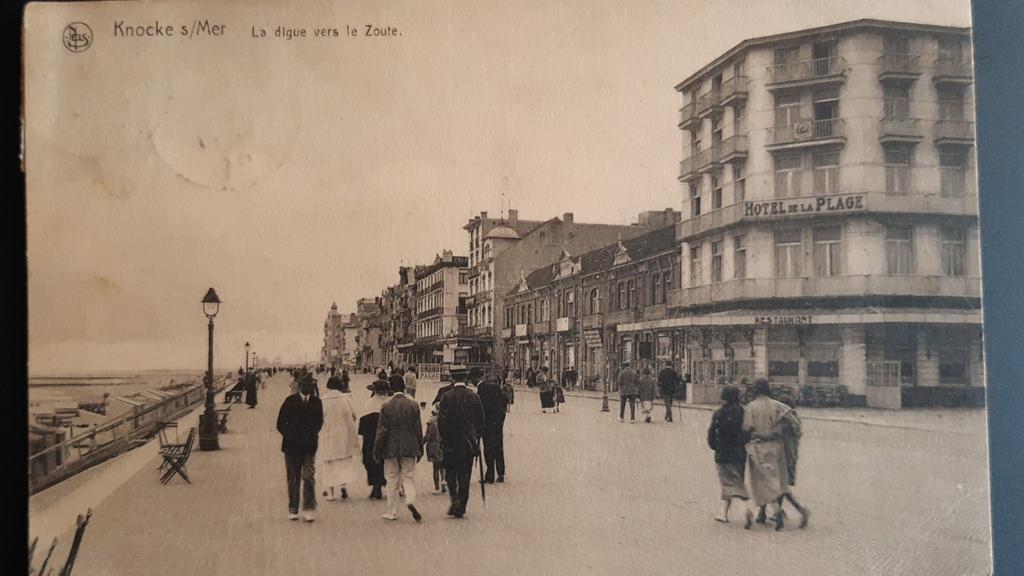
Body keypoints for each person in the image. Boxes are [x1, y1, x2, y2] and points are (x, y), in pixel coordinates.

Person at [742, 378, 807, 530]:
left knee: (762, 482)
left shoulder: (751, 407)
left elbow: (747, 428)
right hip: (776, 447)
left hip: (758, 447)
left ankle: (774, 512)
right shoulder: (778, 405)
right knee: (777, 481)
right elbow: (794, 422)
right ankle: (766, 513)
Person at [373, 378, 424, 522]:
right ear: (404, 387)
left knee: (392, 479)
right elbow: (418, 429)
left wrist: (377, 450)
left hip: (391, 447)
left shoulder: (386, 405)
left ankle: (392, 511)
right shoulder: (414, 404)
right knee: (408, 476)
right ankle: (410, 499)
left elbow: (382, 431)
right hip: (410, 445)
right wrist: (420, 447)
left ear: (391, 388)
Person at [437, 367, 485, 519]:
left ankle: (454, 498)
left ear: (452, 378)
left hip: (450, 442)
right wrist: (476, 436)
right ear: (466, 378)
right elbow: (481, 421)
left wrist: (444, 438)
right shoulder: (474, 397)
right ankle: (462, 505)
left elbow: (441, 421)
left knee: (450, 473)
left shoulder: (446, 396)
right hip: (468, 443)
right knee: (465, 475)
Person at [276, 373, 324, 522]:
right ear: (300, 386)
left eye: (311, 385)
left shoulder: (317, 402)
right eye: (306, 385)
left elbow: (319, 422)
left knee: (308, 477)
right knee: (293, 478)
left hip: (309, 447)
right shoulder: (290, 401)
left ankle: (309, 509)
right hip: (291, 447)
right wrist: (291, 435)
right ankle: (293, 508)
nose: (308, 388)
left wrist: (310, 435)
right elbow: (280, 423)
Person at [707, 385, 751, 527]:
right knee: (736, 481)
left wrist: (714, 446)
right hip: (739, 452)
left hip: (723, 452)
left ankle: (744, 510)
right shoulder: (743, 412)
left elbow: (712, 433)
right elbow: (747, 433)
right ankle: (723, 513)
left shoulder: (719, 413)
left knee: (729, 483)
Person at [317, 373, 359, 502]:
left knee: (329, 464)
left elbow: (318, 420)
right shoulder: (346, 399)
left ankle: (330, 494)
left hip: (329, 436)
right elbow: (354, 415)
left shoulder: (323, 401)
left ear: (328, 386)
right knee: (343, 462)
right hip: (344, 436)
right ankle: (343, 486)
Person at [778, 394, 810, 528]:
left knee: (779, 486)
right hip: (791, 457)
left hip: (783, 456)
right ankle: (773, 512)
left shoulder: (784, 420)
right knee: (779, 485)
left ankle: (800, 508)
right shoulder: (794, 418)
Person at [358, 379, 390, 500]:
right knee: (384, 461)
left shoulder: (369, 403)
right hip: (386, 438)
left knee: (370, 461)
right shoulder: (390, 403)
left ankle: (375, 485)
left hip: (371, 438)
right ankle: (381, 483)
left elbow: (362, 426)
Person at [477, 370, 508, 483]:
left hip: (486, 424)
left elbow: (479, 407)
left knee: (488, 449)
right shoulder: (496, 389)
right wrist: (501, 413)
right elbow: (505, 399)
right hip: (497, 423)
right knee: (498, 447)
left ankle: (490, 475)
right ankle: (501, 474)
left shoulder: (481, 389)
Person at [423, 404, 446, 495]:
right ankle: (443, 485)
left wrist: (421, 443)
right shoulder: (445, 420)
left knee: (436, 468)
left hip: (434, 447)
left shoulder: (431, 422)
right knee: (443, 466)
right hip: (443, 446)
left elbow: (428, 437)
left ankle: (437, 488)